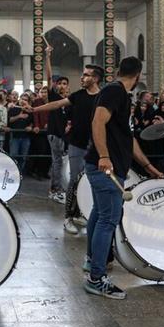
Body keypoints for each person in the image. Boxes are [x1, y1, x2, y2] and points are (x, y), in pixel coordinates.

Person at [84, 57, 163, 300]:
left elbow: (127, 139)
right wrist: (105, 156)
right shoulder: (114, 91)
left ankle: (92, 263)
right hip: (105, 167)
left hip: (107, 166)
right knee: (109, 219)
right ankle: (96, 278)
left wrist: (148, 166)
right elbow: (97, 121)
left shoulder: (119, 94)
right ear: (138, 76)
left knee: (99, 214)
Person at [31, 62, 103, 234]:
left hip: (96, 145)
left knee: (92, 182)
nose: (82, 77)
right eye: (83, 74)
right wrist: (34, 109)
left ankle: (82, 213)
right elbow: (56, 105)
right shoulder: (78, 95)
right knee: (75, 180)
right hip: (77, 144)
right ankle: (68, 217)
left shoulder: (104, 97)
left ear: (95, 78)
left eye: (86, 75)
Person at [44, 45, 70, 204]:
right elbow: (48, 77)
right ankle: (55, 190)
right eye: (59, 83)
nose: (61, 85)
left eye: (64, 84)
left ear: (68, 86)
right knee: (57, 162)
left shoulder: (68, 102)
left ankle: (56, 189)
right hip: (54, 135)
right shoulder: (54, 97)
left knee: (59, 162)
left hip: (62, 135)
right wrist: (48, 57)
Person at [7, 93, 34, 173]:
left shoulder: (30, 110)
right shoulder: (14, 108)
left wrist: (30, 126)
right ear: (19, 99)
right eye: (22, 99)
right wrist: (19, 116)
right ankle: (12, 173)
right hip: (15, 136)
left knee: (23, 157)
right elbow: (10, 120)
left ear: (28, 102)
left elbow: (33, 122)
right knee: (13, 155)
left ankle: (20, 173)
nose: (23, 101)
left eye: (25, 100)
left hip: (26, 137)